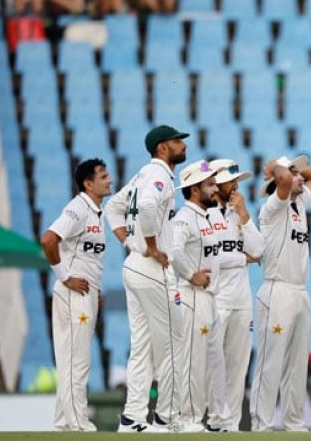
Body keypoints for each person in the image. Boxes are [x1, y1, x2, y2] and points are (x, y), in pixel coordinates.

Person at [105, 125, 190, 432]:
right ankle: (167, 418)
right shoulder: (157, 176)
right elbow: (146, 206)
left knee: (141, 348)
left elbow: (112, 209)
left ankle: (132, 418)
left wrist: (130, 244)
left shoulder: (142, 175)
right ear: (162, 147)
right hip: (153, 270)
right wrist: (151, 247)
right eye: (177, 141)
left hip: (134, 266)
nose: (183, 145)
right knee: (171, 347)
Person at [249, 155, 311, 431]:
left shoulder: (299, 203)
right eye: (293, 173)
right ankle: (262, 424)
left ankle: (294, 423)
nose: (300, 177)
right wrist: (275, 169)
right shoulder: (273, 208)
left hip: (300, 291)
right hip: (276, 289)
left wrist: (294, 170)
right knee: (271, 362)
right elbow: (281, 180)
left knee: (297, 364)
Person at [42, 159, 112, 431]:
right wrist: (65, 277)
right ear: (88, 183)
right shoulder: (78, 207)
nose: (109, 179)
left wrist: (95, 289)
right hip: (74, 292)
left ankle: (62, 423)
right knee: (77, 359)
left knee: (73, 358)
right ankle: (79, 422)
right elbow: (49, 239)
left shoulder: (97, 211)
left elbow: (87, 257)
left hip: (86, 291)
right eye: (103, 176)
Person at [205, 159, 264, 432]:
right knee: (213, 365)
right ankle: (213, 421)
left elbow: (259, 249)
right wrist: (243, 258)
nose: (237, 185)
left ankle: (229, 424)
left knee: (239, 366)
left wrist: (243, 214)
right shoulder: (203, 214)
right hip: (216, 298)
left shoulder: (237, 213)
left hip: (241, 300)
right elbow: (213, 257)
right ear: (215, 182)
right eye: (231, 180)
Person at [172, 160, 222, 433]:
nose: (215, 189)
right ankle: (187, 418)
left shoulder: (205, 217)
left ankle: (200, 418)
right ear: (193, 189)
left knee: (208, 361)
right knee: (193, 359)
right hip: (192, 295)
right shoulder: (184, 218)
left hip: (209, 298)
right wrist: (192, 274)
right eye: (210, 184)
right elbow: (174, 251)